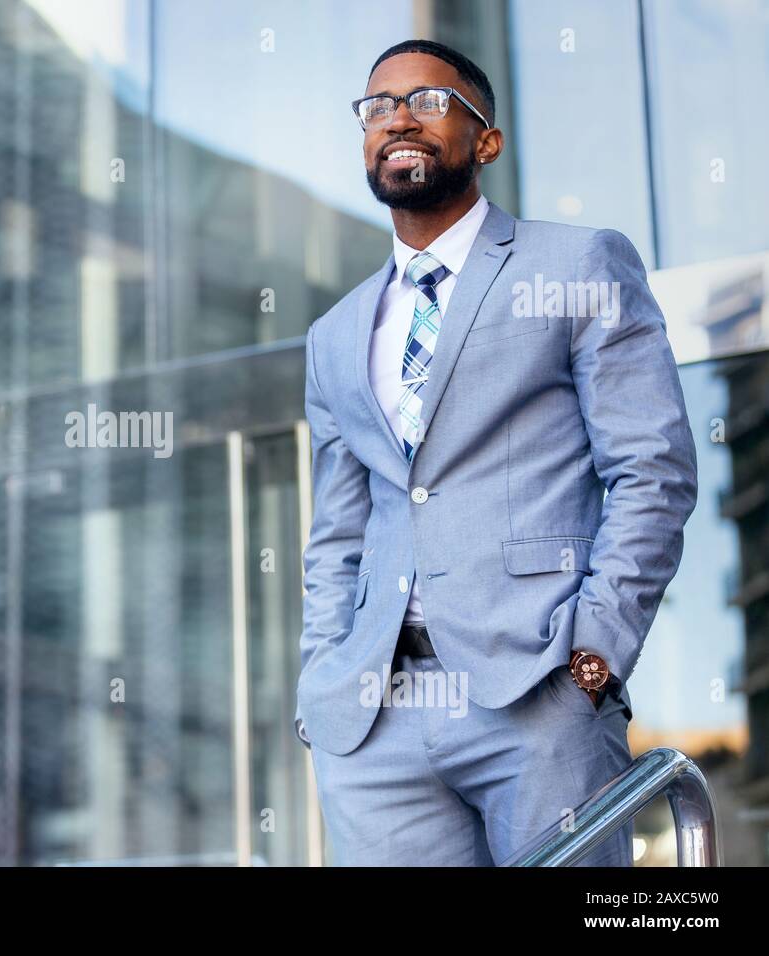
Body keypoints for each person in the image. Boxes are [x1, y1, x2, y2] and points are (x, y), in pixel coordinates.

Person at [293, 39, 699, 866]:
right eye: (379, 107)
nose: (398, 119)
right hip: (375, 721)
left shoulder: (578, 264)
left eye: (429, 101)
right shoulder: (333, 335)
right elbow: (338, 530)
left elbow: (652, 470)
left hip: (537, 692)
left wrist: (594, 658)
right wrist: (321, 681)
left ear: (487, 140)